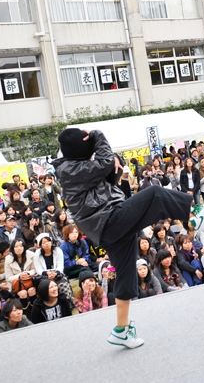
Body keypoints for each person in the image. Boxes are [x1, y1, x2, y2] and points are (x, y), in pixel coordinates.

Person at [54, 128, 192, 349]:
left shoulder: (76, 167)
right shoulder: (70, 168)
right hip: (107, 220)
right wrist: (98, 135)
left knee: (126, 275)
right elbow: (103, 164)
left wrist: (114, 164)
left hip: (107, 225)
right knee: (155, 194)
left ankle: (121, 330)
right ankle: (193, 219)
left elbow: (107, 175)